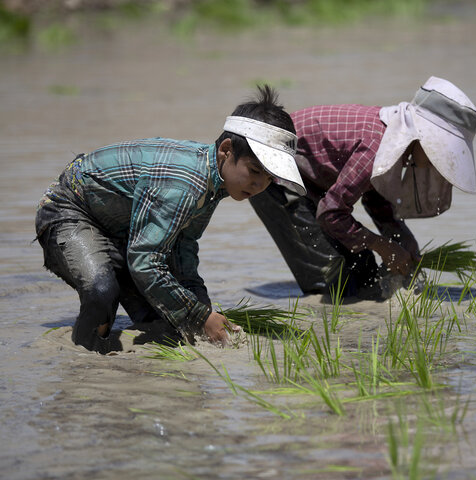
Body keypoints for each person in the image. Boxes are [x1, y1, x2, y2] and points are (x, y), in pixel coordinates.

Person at [35, 86, 305, 353]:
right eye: (255, 170)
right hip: (69, 212)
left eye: (269, 178)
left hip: (122, 231)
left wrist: (203, 310)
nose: (260, 184)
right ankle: (82, 362)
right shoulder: (183, 184)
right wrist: (200, 316)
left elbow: (184, 250)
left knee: (163, 323)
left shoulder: (215, 184)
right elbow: (144, 261)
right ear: (226, 150)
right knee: (103, 290)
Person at [249, 76, 476, 300]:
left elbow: (375, 200)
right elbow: (331, 213)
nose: (437, 163)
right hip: (272, 175)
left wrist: (401, 239)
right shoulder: (377, 145)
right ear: (421, 137)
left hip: (311, 184)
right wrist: (383, 246)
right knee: (334, 277)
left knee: (365, 270)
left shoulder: (394, 141)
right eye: (439, 151)